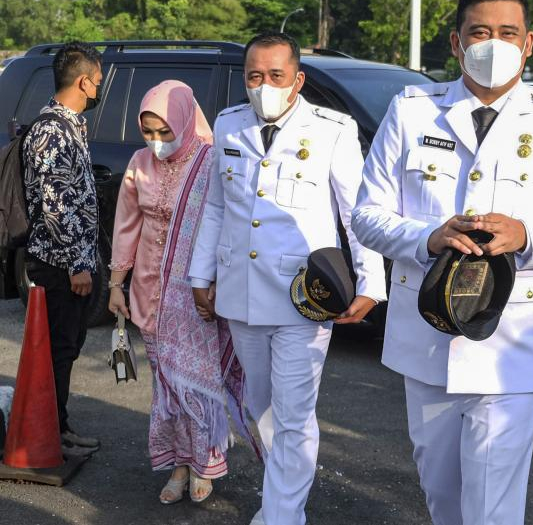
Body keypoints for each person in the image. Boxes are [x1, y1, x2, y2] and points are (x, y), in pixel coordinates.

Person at [352, 0, 533, 524]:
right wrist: (427, 237)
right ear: (455, 42)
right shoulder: (412, 110)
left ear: (529, 43)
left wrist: (528, 236)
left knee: (493, 505)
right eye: (479, 32)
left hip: (512, 345)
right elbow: (366, 215)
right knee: (441, 494)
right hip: (426, 337)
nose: (492, 43)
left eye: (507, 33)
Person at [188, 32, 386, 525]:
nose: (264, 85)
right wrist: (200, 272)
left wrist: (370, 282)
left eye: (275, 76)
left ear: (297, 80)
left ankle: (281, 515)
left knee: (294, 413)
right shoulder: (230, 124)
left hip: (306, 296)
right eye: (254, 76)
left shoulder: (332, 129)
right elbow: (216, 206)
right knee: (262, 406)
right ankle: (284, 499)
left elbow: (357, 212)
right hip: (241, 292)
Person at [108, 80, 250, 504]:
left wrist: (218, 282)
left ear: (186, 122)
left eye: (164, 132)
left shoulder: (211, 163)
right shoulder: (139, 163)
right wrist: (117, 284)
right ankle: (178, 463)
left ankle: (204, 462)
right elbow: (126, 226)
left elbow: (230, 226)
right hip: (149, 294)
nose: (156, 143)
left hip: (195, 293)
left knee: (197, 381)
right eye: (148, 132)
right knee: (167, 384)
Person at [22, 41, 102, 458]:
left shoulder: (70, 125)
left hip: (69, 260)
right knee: (58, 348)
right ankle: (49, 434)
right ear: (84, 81)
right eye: (98, 82)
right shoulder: (52, 130)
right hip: (58, 264)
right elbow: (56, 204)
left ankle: (59, 426)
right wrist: (77, 264)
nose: (99, 90)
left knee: (66, 346)